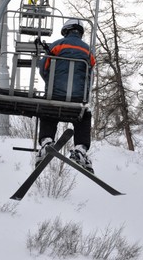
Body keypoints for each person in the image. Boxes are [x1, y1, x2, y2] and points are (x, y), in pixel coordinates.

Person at [35, 18, 96, 173]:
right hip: (77, 98)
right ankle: (80, 148)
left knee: (48, 111)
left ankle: (47, 141)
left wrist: (50, 83)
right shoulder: (88, 51)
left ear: (66, 30)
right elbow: (90, 73)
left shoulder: (57, 45)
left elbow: (44, 68)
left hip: (55, 95)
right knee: (84, 116)